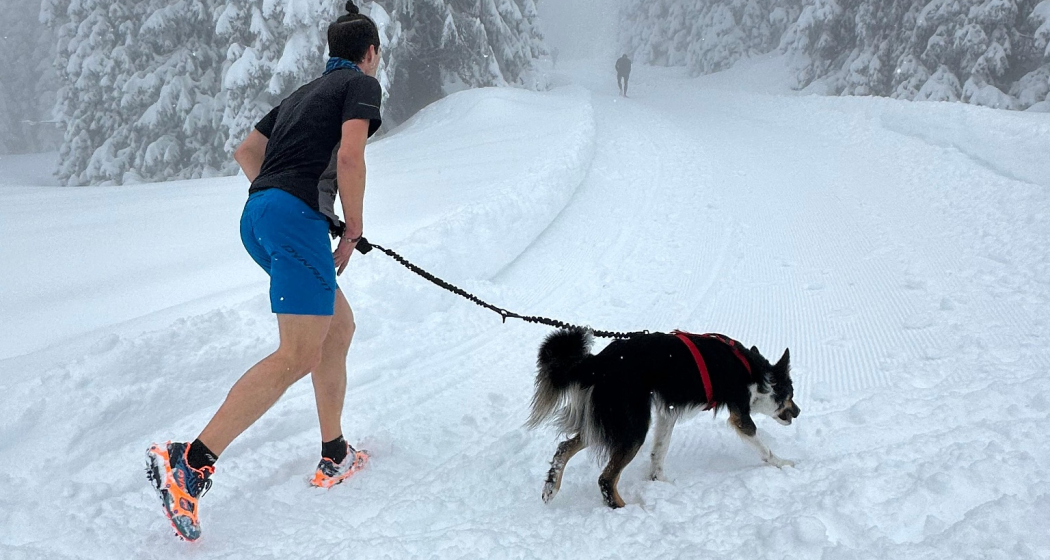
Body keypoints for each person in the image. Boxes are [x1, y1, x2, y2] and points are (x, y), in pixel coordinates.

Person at [145, 1, 383, 542]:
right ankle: (190, 462)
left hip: (258, 216)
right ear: (369, 54)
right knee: (297, 352)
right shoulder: (360, 85)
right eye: (375, 57)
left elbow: (247, 150)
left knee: (336, 330)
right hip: (292, 220)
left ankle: (334, 452)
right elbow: (350, 157)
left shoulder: (302, 94)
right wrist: (349, 226)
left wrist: (287, 203)